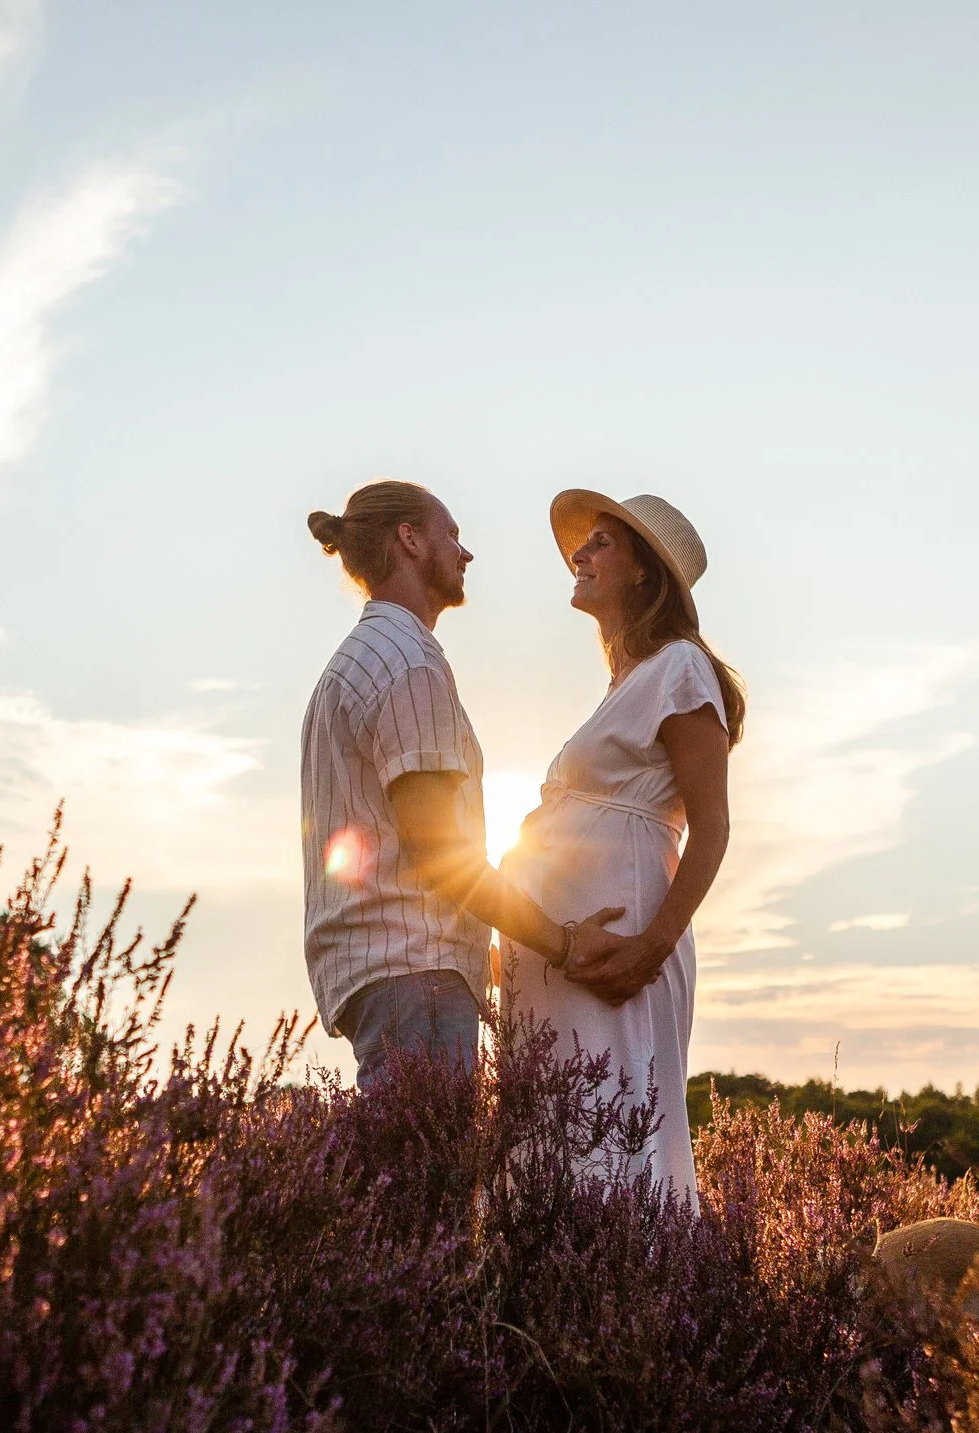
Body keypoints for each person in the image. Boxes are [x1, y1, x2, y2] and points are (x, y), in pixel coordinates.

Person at [300, 480, 629, 1085]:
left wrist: (488, 952)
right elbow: (439, 854)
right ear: (410, 540)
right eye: (452, 534)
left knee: (404, 1174)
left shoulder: (356, 660)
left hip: (388, 972)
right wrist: (562, 943)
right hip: (414, 976)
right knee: (429, 1179)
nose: (465, 552)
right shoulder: (409, 663)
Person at [499, 491, 744, 1207]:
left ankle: (640, 1310)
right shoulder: (623, 686)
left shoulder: (680, 670)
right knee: (560, 1145)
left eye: (601, 543)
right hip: (561, 963)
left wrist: (650, 948)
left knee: (616, 1140)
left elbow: (714, 825)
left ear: (645, 573)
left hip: (623, 950)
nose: (581, 554)